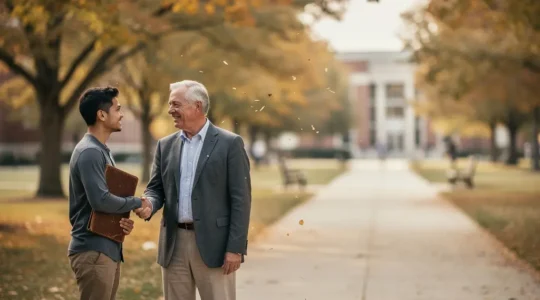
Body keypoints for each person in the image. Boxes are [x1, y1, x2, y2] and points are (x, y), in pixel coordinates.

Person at [135, 80, 251, 300]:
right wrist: (149, 203)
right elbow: (156, 188)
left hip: (215, 246)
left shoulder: (230, 144)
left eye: (176, 105)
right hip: (173, 245)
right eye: (170, 105)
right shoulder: (165, 146)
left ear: (197, 106)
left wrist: (235, 248)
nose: (170, 111)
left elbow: (241, 200)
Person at [67, 87, 152, 300]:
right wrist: (135, 202)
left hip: (106, 249)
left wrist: (121, 222)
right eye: (118, 109)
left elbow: (103, 202)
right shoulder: (90, 152)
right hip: (93, 251)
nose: (121, 114)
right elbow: (100, 201)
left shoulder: (101, 150)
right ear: (101, 114)